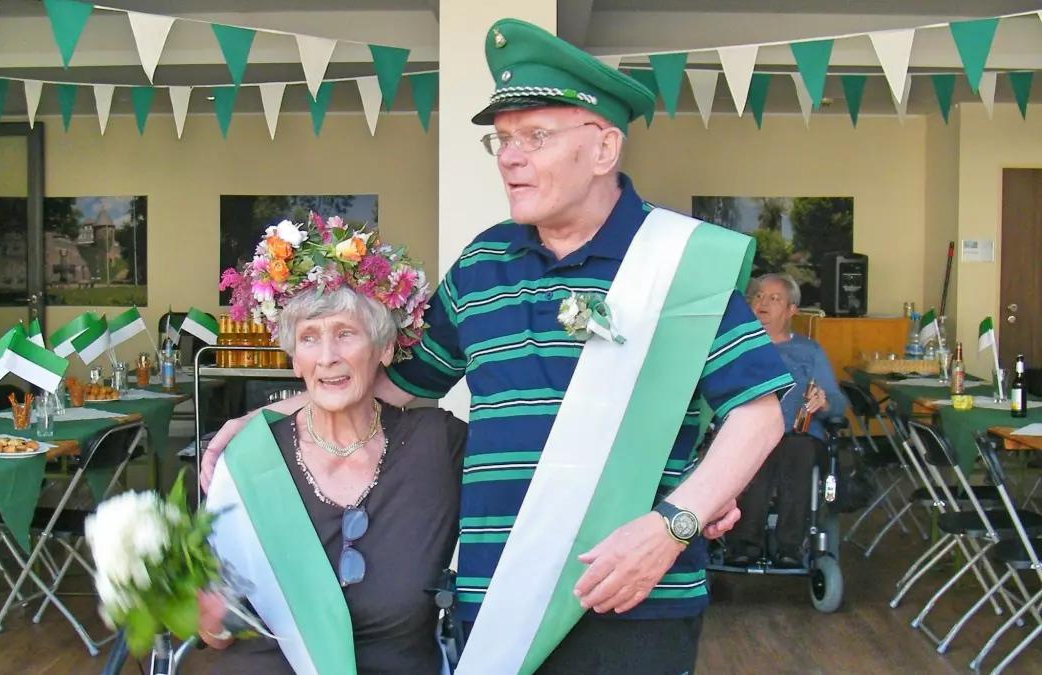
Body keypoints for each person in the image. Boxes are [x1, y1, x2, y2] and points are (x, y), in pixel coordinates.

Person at [203, 19, 792, 674]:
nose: (510, 157)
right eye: (502, 139)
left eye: (536, 136)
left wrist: (676, 522)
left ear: (604, 148)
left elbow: (759, 412)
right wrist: (268, 417)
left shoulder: (675, 263)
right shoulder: (482, 264)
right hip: (497, 602)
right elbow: (391, 385)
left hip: (635, 599)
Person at [200, 218, 466, 674]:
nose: (327, 357)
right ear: (294, 357)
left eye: (346, 333)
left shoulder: (437, 446)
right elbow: (219, 633)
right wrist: (202, 612)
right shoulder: (250, 460)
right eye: (309, 338)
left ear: (384, 348)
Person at [726, 273, 849, 568]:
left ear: (792, 310)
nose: (763, 303)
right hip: (750, 434)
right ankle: (744, 544)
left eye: (774, 298)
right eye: (758, 296)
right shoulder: (740, 348)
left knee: (798, 451)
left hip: (799, 436)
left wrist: (824, 402)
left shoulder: (809, 351)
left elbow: (839, 405)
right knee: (755, 452)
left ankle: (789, 546)